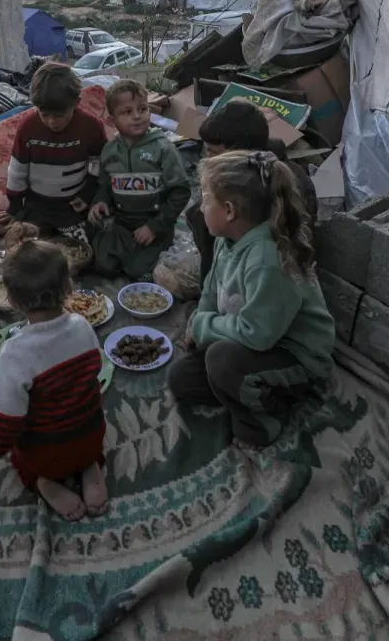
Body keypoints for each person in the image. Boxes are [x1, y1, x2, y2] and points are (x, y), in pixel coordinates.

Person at [169, 150, 335, 449]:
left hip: (293, 355)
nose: (200, 206)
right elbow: (210, 291)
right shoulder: (226, 240)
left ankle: (266, 416)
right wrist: (198, 322)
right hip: (253, 339)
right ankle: (243, 386)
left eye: (206, 199)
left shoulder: (267, 260)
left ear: (229, 211)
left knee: (220, 361)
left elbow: (257, 335)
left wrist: (204, 325)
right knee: (181, 379)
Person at [0, 240, 108, 521]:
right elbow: (94, 369)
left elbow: (6, 423)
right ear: (69, 288)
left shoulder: (14, 352)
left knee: (23, 461)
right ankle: (90, 466)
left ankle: (43, 482)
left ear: (11, 300)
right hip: (91, 435)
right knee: (86, 438)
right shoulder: (83, 325)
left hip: (46, 454)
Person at [186, 100, 318, 283]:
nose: (208, 161)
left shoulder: (287, 185)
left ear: (241, 154)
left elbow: (289, 253)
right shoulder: (246, 173)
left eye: (214, 153)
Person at [87, 79, 189, 279]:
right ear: (112, 119)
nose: (137, 117)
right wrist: (100, 202)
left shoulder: (163, 148)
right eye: (127, 112)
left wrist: (155, 227)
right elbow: (105, 185)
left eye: (142, 109)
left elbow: (181, 192)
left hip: (153, 224)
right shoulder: (109, 151)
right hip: (121, 224)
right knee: (102, 265)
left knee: (139, 271)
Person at [2, 62, 107, 240]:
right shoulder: (28, 127)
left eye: (59, 115)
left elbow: (98, 161)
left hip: (73, 205)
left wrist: (87, 194)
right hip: (37, 205)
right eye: (44, 114)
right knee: (23, 245)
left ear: (77, 103)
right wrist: (14, 208)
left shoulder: (91, 126)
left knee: (86, 247)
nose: (51, 122)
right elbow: (17, 170)